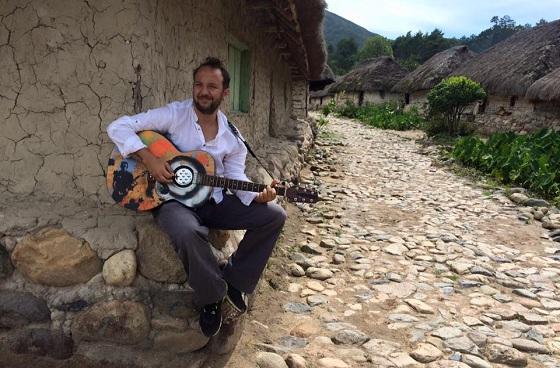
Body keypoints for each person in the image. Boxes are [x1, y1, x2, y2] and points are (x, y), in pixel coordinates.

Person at [107, 57, 287, 337]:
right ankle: (212, 297)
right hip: (172, 201)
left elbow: (236, 177)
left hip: (213, 201)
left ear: (224, 93)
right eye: (199, 85)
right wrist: (150, 160)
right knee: (188, 231)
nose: (204, 91)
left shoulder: (232, 136)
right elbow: (118, 126)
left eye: (212, 86)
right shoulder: (175, 114)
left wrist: (259, 196)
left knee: (275, 216)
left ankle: (236, 282)